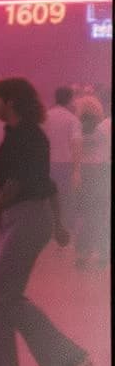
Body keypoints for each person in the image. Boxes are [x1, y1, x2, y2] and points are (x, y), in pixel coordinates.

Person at [0, 77, 92, 366]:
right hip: (29, 218)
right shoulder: (25, 135)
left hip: (26, 218)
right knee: (4, 298)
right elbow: (47, 183)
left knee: (5, 298)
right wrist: (59, 224)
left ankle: (65, 359)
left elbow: (16, 184)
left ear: (10, 102)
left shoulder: (25, 136)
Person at [73, 95, 110, 269]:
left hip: (84, 173)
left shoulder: (77, 129)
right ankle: (103, 251)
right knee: (101, 214)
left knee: (85, 215)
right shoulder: (102, 129)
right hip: (100, 172)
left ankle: (82, 251)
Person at [43, 86, 83, 233]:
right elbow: (76, 145)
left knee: (48, 199)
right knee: (66, 198)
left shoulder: (45, 117)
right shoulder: (72, 119)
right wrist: (77, 170)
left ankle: (49, 228)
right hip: (65, 165)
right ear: (70, 99)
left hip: (46, 165)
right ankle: (64, 229)